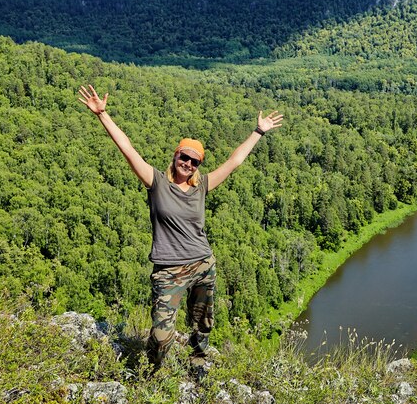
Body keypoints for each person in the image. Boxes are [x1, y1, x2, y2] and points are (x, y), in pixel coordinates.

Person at [78, 84, 283, 370]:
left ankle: (198, 359)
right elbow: (127, 149)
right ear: (175, 157)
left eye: (194, 160)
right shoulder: (156, 183)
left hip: (203, 265)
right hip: (168, 272)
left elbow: (234, 162)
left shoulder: (203, 186)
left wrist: (258, 131)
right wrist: (103, 115)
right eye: (183, 157)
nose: (187, 163)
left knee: (203, 323)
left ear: (198, 165)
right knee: (162, 336)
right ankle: (153, 370)